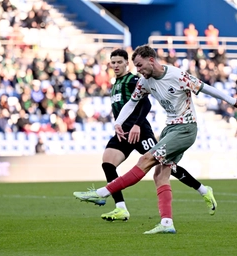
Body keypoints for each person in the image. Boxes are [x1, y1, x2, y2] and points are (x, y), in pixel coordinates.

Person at [74, 45, 237, 234]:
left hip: (186, 128)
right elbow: (132, 102)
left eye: (140, 65)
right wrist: (118, 122)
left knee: (145, 160)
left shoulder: (177, 75)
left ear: (151, 60)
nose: (139, 70)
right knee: (160, 175)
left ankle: (101, 193)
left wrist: (233, 102)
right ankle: (168, 223)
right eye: (136, 67)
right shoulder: (145, 81)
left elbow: (206, 89)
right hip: (169, 128)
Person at [99, 49, 214, 222]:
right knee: (108, 162)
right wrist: (118, 125)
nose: (115, 65)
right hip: (125, 133)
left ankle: (202, 189)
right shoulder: (115, 84)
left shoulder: (134, 80)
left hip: (140, 132)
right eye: (112, 62)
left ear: (126, 63)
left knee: (165, 166)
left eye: (119, 62)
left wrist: (137, 125)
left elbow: (144, 103)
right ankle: (120, 207)